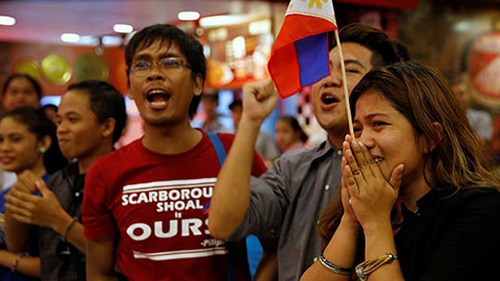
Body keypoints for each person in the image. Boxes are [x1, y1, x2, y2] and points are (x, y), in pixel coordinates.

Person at [208, 23, 411, 281]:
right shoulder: (291, 168)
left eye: (349, 70)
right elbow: (224, 224)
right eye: (321, 71)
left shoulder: (400, 166)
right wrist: (251, 120)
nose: (330, 79)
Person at [81, 24, 267, 281]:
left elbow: (278, 241)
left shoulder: (233, 151)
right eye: (142, 65)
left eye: (169, 63)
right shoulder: (105, 172)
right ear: (130, 88)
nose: (154, 74)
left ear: (198, 83)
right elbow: (99, 272)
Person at [301, 61, 500, 281]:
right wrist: (351, 218)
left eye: (378, 124)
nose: (362, 141)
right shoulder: (371, 206)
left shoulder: (479, 208)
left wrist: (376, 223)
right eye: (357, 129)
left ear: (431, 137)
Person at [5, 80, 127, 281]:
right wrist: (16, 200)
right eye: (59, 121)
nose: (61, 129)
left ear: (106, 127)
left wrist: (57, 220)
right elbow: (18, 246)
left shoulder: (126, 181)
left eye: (72, 119)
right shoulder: (57, 181)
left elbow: (129, 262)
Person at [0, 106, 67, 280]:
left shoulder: (53, 191)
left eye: (15, 139)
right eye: (0, 140)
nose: (5, 148)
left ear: (43, 143)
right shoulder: (6, 193)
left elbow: (60, 264)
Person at [229, 99, 279, 166]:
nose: (237, 116)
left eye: (240, 111)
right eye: (234, 112)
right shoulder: (229, 135)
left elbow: (272, 158)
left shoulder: (263, 135)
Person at [449, 74, 493, 145]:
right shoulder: (445, 118)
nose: (457, 98)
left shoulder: (482, 117)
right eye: (453, 95)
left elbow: (480, 146)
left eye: (461, 94)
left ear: (469, 96)